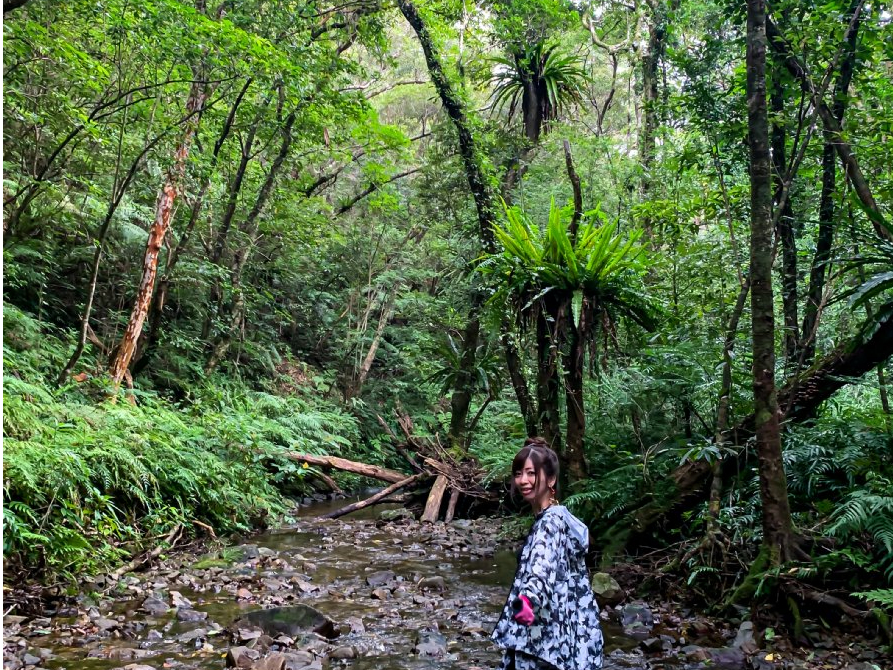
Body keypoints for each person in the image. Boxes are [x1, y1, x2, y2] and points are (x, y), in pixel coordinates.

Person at [491, 438, 604, 670]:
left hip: (542, 643)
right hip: (567, 637)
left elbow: (540, 570)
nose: (523, 481)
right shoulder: (560, 517)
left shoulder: (549, 523)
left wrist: (526, 602)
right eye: (518, 473)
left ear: (551, 479)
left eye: (531, 473)